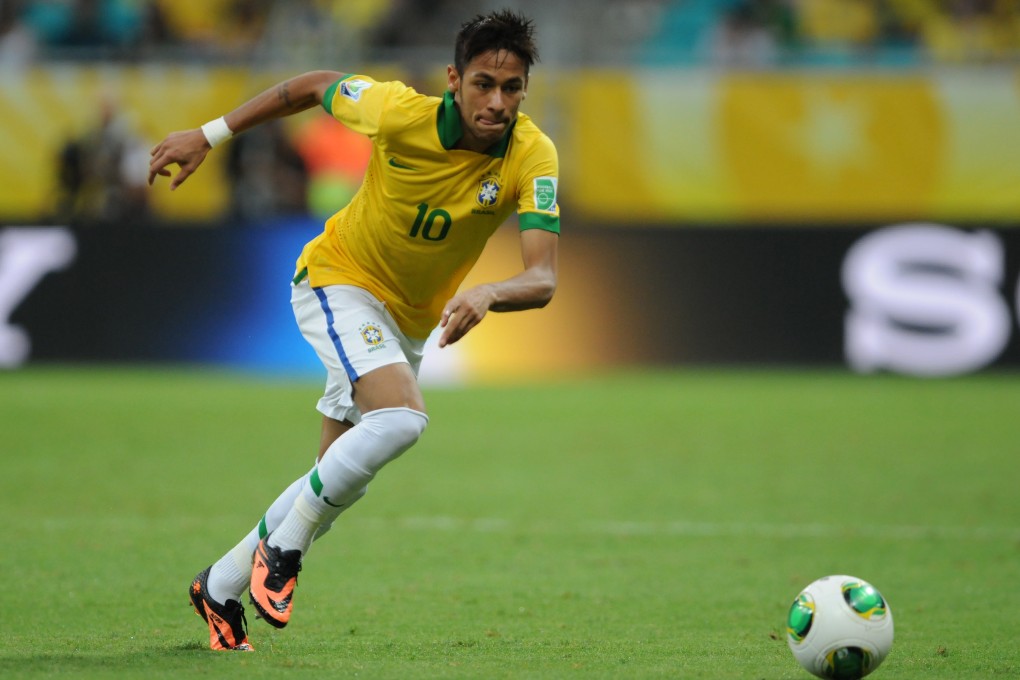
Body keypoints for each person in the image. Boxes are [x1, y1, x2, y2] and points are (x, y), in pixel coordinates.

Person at [147, 9, 559, 652]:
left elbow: (543, 278)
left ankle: (221, 584)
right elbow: (312, 85)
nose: (496, 102)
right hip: (338, 280)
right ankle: (282, 554)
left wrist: (488, 291)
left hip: (409, 322)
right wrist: (210, 132)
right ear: (455, 79)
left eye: (511, 89)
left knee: (338, 476)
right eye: (483, 83)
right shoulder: (398, 111)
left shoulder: (532, 153)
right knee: (401, 421)